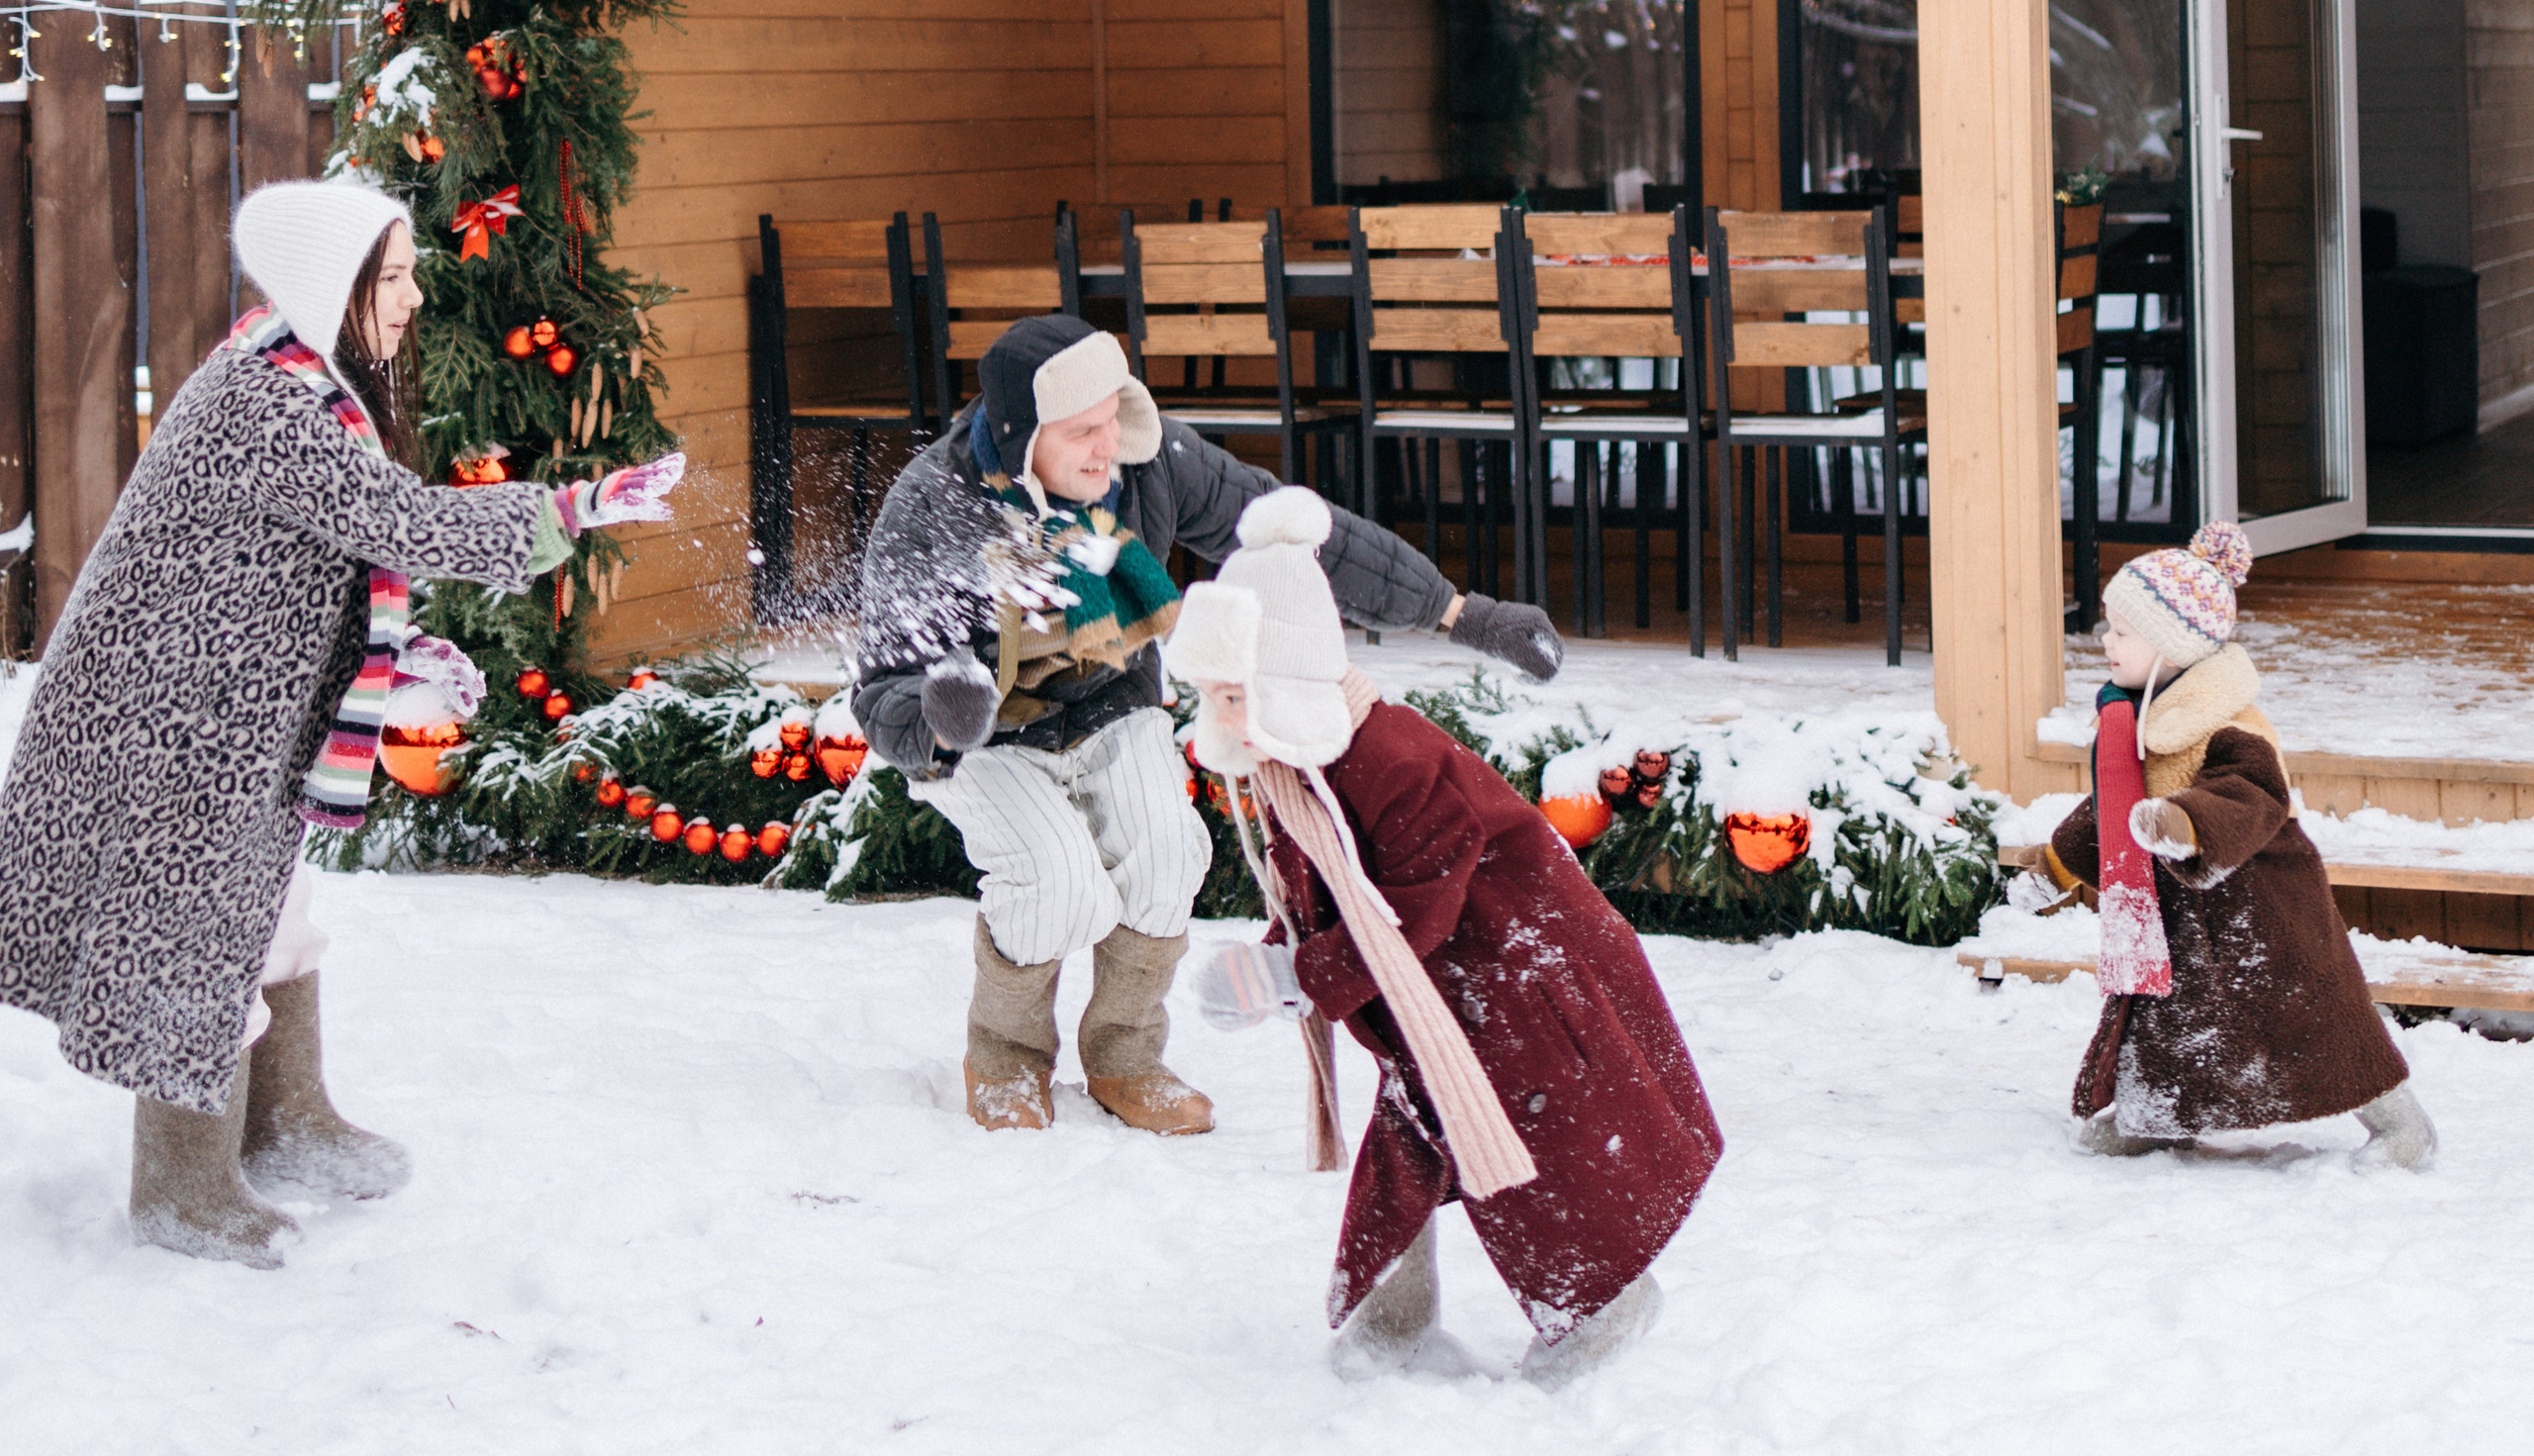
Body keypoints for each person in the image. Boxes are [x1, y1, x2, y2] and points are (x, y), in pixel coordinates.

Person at [0, 179, 684, 1268]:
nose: (414, 297)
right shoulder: (267, 403)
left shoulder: (299, 375)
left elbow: (305, 568)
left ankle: (286, 1124)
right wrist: (576, 507)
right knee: (203, 933)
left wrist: (396, 654)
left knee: (276, 912)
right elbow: (395, 520)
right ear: (334, 285)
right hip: (169, 721)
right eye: (394, 276)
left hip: (223, 707)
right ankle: (181, 1187)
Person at [850, 314, 1562, 1136]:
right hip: (987, 739)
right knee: (1055, 883)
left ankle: (1126, 1056)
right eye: (1081, 432)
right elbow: (883, 689)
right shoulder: (935, 509)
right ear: (1021, 439)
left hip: (1110, 704)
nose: (1108, 446)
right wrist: (941, 719)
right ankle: (1006, 1056)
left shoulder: (1147, 463)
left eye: (1112, 419)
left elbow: (1296, 536)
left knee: (1166, 857)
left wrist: (1462, 612)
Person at [1171, 488, 1721, 1388]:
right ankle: (1390, 1325)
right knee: (1412, 1147)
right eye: (1211, 697)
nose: (1222, 720)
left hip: (1522, 981)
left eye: (1236, 696)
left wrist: (1297, 973)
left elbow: (1414, 905)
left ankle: (1602, 1305)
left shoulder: (1392, 756)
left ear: (1289, 679)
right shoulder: (1294, 766)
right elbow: (1326, 894)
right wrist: (1276, 959)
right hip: (1439, 1003)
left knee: (1540, 1158)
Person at [2032, 523, 2435, 1169]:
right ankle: (2158, 1119)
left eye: (2123, 631)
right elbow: (2112, 810)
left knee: (2318, 1015)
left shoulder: (2228, 723)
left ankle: (2403, 1126)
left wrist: (2183, 824)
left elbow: (2250, 794)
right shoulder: (2133, 716)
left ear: (2174, 644)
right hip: (2184, 908)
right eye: (2109, 626)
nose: (2105, 640)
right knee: (2172, 1018)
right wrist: (2054, 866)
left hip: (2262, 899)